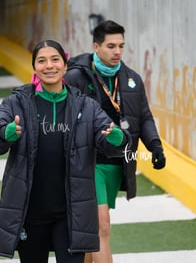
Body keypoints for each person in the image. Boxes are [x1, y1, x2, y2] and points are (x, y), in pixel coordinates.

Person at [0, 40, 131, 263]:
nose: (49, 66)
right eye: (41, 61)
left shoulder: (85, 106)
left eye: (55, 59)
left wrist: (117, 137)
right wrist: (6, 133)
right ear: (34, 67)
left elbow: (114, 141)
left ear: (65, 65)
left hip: (72, 213)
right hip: (30, 212)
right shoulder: (17, 103)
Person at [64, 20, 166, 263]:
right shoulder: (75, 77)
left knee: (93, 232)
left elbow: (144, 117)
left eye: (121, 45)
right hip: (87, 163)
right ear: (96, 46)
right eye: (111, 46)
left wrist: (155, 146)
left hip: (116, 163)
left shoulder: (132, 79)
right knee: (102, 227)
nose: (117, 51)